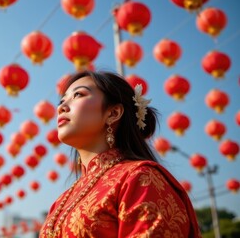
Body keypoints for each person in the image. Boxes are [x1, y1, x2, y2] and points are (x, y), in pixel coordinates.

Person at [39, 70, 201, 238]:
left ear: (113, 113)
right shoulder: (62, 201)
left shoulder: (140, 178)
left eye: (78, 94)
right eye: (62, 100)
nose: (61, 107)